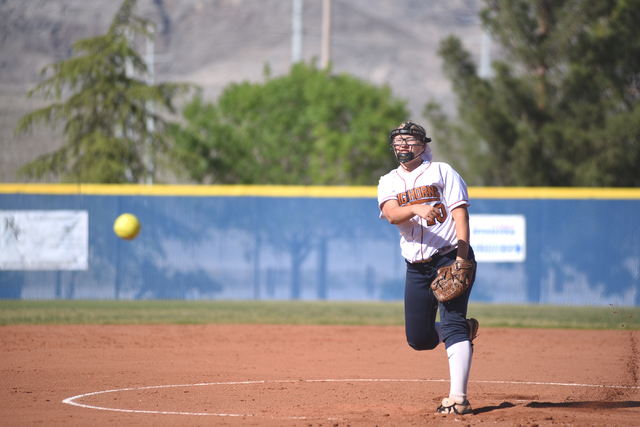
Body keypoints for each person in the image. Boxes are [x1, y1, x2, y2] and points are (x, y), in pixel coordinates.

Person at [377, 121, 479, 415]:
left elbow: (461, 216)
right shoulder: (388, 181)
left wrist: (462, 257)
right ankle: (463, 330)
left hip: (449, 257)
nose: (403, 146)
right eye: (398, 141)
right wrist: (417, 208)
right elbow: (393, 214)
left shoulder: (442, 171)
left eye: (409, 140)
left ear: (423, 144)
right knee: (418, 339)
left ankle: (458, 399)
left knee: (452, 322)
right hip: (416, 267)